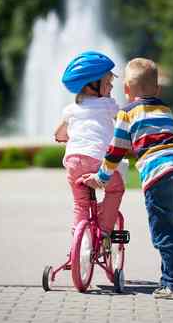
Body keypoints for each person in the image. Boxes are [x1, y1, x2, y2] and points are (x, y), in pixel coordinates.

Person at [82, 57, 173, 300]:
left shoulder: (127, 112)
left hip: (158, 173)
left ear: (127, 90)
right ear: (157, 89)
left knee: (163, 229)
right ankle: (171, 278)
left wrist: (101, 177)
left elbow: (115, 151)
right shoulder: (165, 109)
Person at [55, 50, 125, 236]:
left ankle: (79, 242)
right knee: (116, 189)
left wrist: (65, 136)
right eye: (108, 82)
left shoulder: (70, 109)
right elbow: (123, 123)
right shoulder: (108, 105)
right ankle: (104, 232)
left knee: (81, 203)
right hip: (97, 159)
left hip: (73, 162)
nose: (111, 87)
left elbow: (59, 134)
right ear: (90, 86)